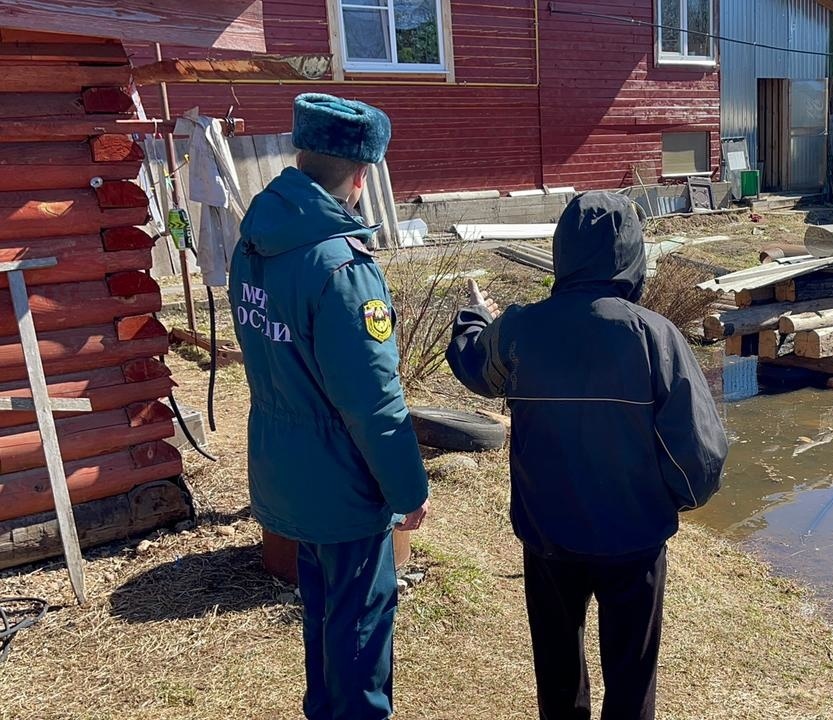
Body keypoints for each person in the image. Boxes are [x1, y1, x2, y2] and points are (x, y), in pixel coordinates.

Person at [447, 191, 728, 720]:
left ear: (563, 253)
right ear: (633, 257)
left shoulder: (523, 329)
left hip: (549, 536)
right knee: (632, 677)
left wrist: (474, 317)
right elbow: (701, 458)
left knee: (557, 673)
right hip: (634, 542)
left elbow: (474, 367)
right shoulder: (655, 337)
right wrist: (667, 502)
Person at [229, 93, 430, 720]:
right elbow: (373, 404)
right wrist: (408, 487)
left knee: (320, 613)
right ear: (363, 175)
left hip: (284, 464)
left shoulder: (256, 241)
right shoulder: (340, 267)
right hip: (342, 484)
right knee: (360, 628)